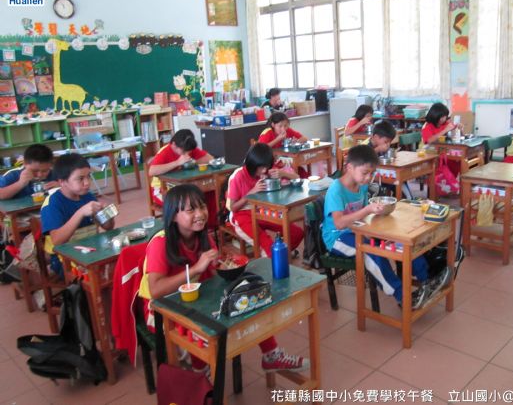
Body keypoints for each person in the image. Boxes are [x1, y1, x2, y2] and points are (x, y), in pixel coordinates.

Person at [140, 184, 308, 373]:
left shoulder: (203, 237)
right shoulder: (160, 243)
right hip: (162, 308)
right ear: (172, 216)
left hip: (196, 298)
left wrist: (228, 270)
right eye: (191, 210)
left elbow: (215, 273)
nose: (200, 214)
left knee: (246, 300)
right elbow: (155, 290)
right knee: (202, 330)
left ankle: (271, 355)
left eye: (202, 206)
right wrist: (196, 268)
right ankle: (201, 375)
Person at [321, 145, 451, 309]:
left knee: (401, 240)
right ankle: (402, 296)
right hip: (337, 238)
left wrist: (377, 215)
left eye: (372, 173)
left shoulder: (362, 185)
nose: (368, 178)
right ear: (349, 167)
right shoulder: (336, 189)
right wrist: (368, 210)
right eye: (365, 173)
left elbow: (363, 216)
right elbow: (339, 223)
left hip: (359, 230)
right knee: (371, 252)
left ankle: (427, 280)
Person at [226, 143, 303, 258]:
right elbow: (233, 207)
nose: (264, 170)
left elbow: (297, 178)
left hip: (262, 211)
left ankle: (281, 257)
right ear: (253, 164)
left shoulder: (267, 171)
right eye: (261, 167)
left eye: (267, 166)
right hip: (241, 215)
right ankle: (276, 259)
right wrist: (251, 193)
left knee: (296, 233)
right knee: (268, 248)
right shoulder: (238, 176)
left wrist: (282, 173)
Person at [41, 153, 115, 264]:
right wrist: (80, 213)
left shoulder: (88, 196)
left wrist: (107, 214)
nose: (87, 182)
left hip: (91, 250)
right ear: (62, 182)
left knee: (120, 259)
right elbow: (57, 241)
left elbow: (108, 227)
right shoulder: (52, 203)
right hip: (64, 258)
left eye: (88, 176)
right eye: (80, 178)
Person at [148, 129, 217, 226]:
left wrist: (193, 161)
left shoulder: (188, 147)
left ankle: (210, 225)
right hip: (162, 189)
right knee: (185, 203)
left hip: (184, 186)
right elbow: (152, 171)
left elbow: (210, 159)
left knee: (212, 193)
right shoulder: (165, 151)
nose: (187, 154)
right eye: (184, 151)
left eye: (189, 152)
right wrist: (177, 163)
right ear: (174, 145)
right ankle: (185, 229)